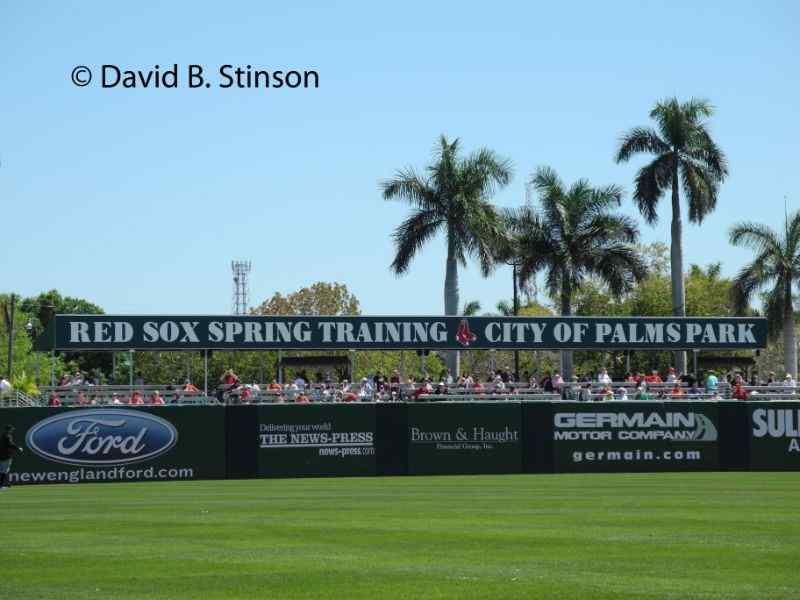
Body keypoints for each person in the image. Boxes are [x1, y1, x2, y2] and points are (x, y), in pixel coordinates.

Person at [0, 425, 23, 490]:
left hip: (1, 456)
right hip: (6, 456)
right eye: (11, 429)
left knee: (3, 470)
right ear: (8, 430)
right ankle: (1, 485)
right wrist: (18, 448)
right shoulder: (7, 436)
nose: (12, 431)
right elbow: (10, 444)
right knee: (4, 471)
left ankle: (6, 484)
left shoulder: (2, 436)